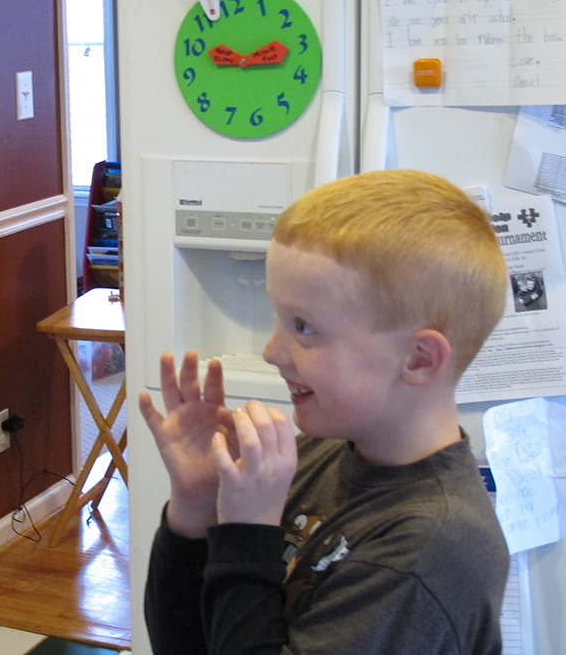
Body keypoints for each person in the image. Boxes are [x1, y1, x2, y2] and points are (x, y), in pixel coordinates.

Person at [139, 170, 510, 655]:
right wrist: (196, 510)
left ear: (418, 359)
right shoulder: (317, 456)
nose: (272, 351)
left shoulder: (428, 550)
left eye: (304, 327)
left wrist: (247, 535)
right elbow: (185, 645)